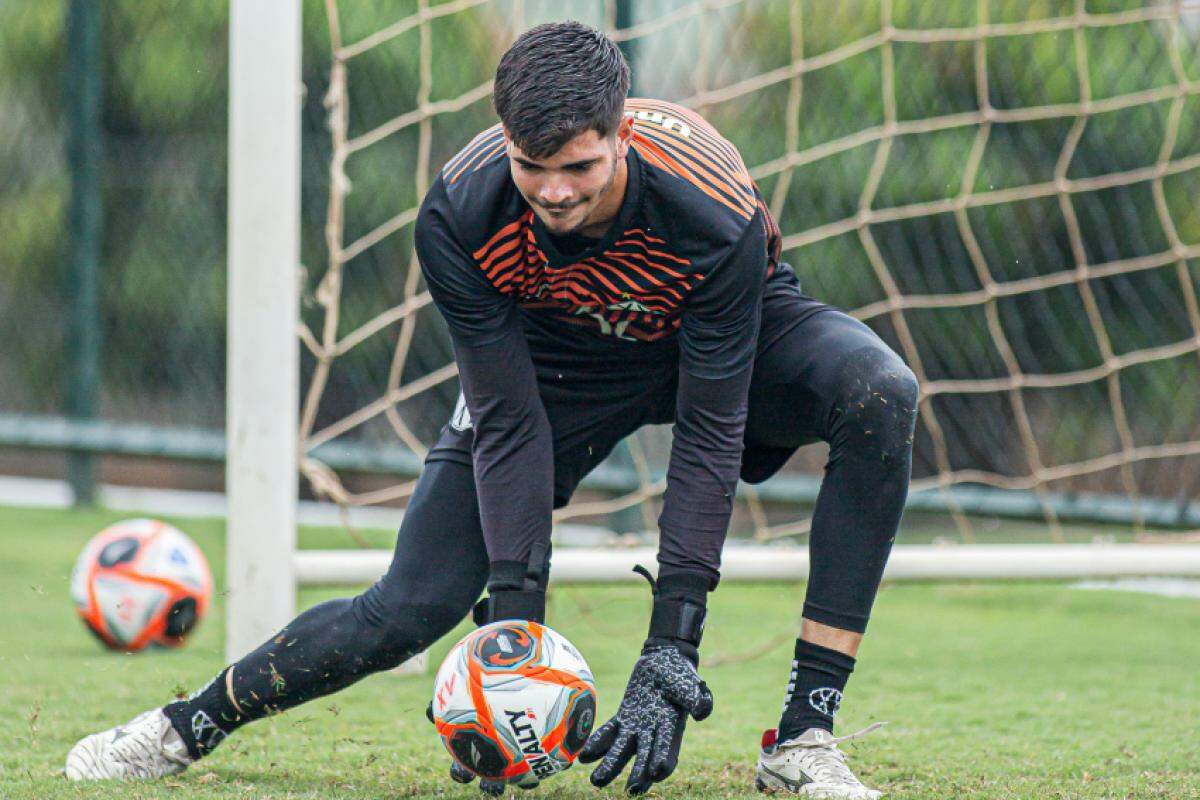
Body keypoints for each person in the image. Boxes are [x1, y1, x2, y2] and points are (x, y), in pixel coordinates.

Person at [65, 21, 917, 798]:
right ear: (503, 138)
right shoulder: (460, 215)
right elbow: (508, 422)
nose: (553, 192)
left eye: (579, 167)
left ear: (623, 137)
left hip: (726, 339)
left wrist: (672, 646)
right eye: (529, 165)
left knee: (880, 394)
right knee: (408, 605)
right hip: (561, 363)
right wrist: (513, 639)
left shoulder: (711, 210)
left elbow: (708, 429)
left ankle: (803, 737)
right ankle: (185, 725)